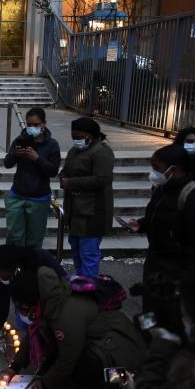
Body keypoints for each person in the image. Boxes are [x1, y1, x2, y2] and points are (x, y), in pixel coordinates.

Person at [0, 266, 145, 389]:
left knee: (89, 367)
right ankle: (72, 382)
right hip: (87, 340)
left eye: (22, 307)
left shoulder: (65, 315)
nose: (20, 312)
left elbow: (68, 358)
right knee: (50, 357)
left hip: (117, 349)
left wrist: (45, 383)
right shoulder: (48, 300)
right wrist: (14, 368)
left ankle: (94, 385)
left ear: (35, 301)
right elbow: (35, 332)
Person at [126, 144, 195, 315]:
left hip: (176, 268)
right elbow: (157, 215)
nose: (154, 173)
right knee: (150, 308)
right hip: (155, 260)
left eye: (157, 168)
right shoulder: (162, 188)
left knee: (170, 313)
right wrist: (142, 224)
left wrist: (186, 279)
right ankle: (148, 337)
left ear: (174, 169)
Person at [0, 244, 68, 358]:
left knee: (46, 334)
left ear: (16, 268)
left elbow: (52, 301)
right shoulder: (4, 274)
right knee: (29, 330)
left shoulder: (38, 268)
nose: (2, 277)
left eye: (7, 276)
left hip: (56, 302)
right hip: (34, 306)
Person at [60, 118, 114, 277]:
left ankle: (89, 288)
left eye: (79, 137)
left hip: (92, 212)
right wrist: (63, 177)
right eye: (74, 137)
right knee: (76, 249)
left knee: (88, 253)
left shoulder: (101, 151)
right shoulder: (74, 151)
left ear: (91, 135)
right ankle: (81, 282)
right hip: (74, 210)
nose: (76, 140)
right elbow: (67, 169)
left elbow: (102, 179)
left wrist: (71, 183)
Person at [4, 107, 61, 248]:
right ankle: (13, 267)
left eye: (36, 125)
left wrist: (37, 158)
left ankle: (30, 268)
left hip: (39, 198)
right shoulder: (20, 140)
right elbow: (7, 163)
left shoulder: (52, 144)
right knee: (14, 236)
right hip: (17, 195)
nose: (31, 128)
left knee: (34, 240)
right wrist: (15, 155)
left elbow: (53, 171)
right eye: (29, 125)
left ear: (44, 124)